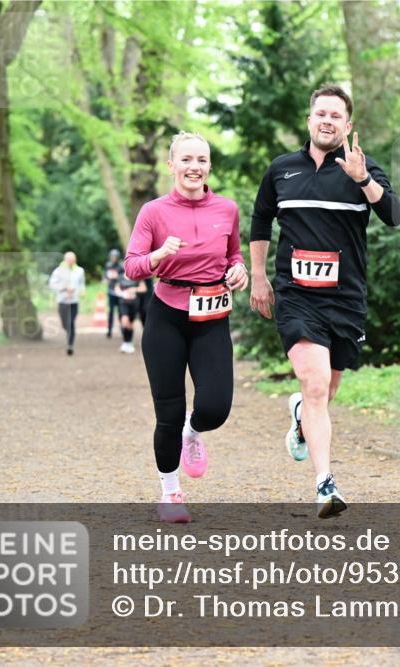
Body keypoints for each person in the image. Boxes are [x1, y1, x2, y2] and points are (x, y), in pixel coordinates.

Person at [249, 84, 400, 518]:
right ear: (309, 119)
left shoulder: (363, 169)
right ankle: (325, 484)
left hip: (346, 300)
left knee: (326, 389)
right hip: (297, 297)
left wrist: (364, 181)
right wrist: (259, 278)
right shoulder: (282, 170)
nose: (327, 120)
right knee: (315, 384)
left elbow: (394, 216)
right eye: (321, 113)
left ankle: (300, 417)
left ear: (347, 125)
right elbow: (261, 220)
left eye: (336, 115)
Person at [125, 131, 249, 523]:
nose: (194, 167)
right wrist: (158, 256)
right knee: (168, 411)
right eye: (186, 160)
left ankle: (192, 434)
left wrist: (239, 270)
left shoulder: (227, 209)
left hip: (211, 316)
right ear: (172, 165)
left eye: (201, 160)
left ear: (209, 166)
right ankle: (170, 492)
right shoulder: (153, 211)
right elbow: (132, 266)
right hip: (167, 315)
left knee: (215, 407)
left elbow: (233, 253)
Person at [48, 251, 86, 356]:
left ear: (75, 260)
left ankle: (70, 345)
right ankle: (68, 334)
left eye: (72, 260)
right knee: (65, 324)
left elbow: (81, 283)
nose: (70, 262)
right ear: (65, 260)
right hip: (62, 301)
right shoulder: (58, 271)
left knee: (71, 323)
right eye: (68, 260)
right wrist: (64, 288)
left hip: (74, 301)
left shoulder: (79, 271)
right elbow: (52, 284)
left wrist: (81, 291)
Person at [115, 272, 146, 353]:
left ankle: (128, 342)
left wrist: (134, 289)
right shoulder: (121, 277)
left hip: (134, 304)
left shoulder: (138, 276)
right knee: (124, 321)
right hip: (123, 302)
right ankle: (126, 342)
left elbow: (144, 288)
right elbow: (117, 288)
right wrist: (122, 293)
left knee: (130, 323)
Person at [104, 249, 124, 338]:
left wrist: (118, 277)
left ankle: (123, 330)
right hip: (111, 291)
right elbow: (105, 275)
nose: (113, 258)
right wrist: (105, 278)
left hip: (119, 292)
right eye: (111, 257)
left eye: (114, 257)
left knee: (121, 311)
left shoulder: (121, 266)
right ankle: (109, 330)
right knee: (111, 311)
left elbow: (125, 277)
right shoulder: (108, 265)